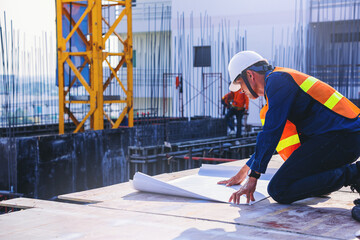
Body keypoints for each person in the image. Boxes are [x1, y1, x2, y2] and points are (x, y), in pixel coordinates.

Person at [217, 51, 360, 211]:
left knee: (279, 189)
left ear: (250, 75)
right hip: (342, 137)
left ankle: (355, 173)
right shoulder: (279, 79)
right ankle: (350, 173)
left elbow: (271, 132)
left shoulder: (277, 81)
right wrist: (244, 170)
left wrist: (253, 177)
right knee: (305, 183)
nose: (241, 91)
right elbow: (270, 135)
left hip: (342, 138)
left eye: (241, 85)